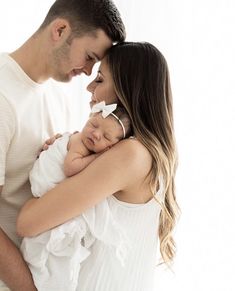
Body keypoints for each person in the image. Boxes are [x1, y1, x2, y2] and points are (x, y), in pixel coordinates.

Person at [17, 42, 180, 291]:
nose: (89, 87)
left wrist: (56, 166)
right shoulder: (142, 152)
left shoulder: (131, 154)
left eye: (100, 79)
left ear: (127, 89)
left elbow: (27, 222)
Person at [0, 0, 125, 289]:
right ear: (60, 30)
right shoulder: (3, 93)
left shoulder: (57, 94)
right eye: (89, 57)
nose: (88, 72)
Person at [21, 103, 131, 291]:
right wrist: (98, 159)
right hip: (45, 187)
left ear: (112, 145)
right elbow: (71, 167)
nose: (95, 134)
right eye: (93, 125)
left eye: (105, 136)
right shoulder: (80, 141)